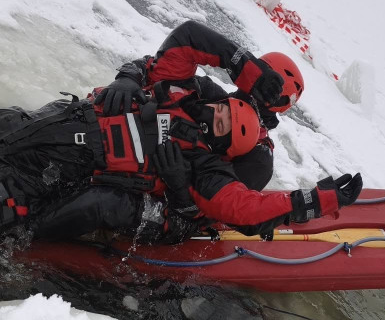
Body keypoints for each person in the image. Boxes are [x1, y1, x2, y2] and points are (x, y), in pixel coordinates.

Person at [0, 85, 359, 252]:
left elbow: (243, 206)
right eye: (220, 109)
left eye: (220, 121)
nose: (212, 115)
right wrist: (129, 79)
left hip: (38, 178)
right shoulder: (190, 97)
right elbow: (179, 47)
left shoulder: (206, 170)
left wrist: (311, 201)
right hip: (31, 130)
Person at [94, 19, 305, 191]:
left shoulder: (258, 158)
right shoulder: (209, 92)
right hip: (109, 142)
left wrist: (179, 186)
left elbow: (219, 206)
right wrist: (129, 78)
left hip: (134, 189)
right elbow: (159, 67)